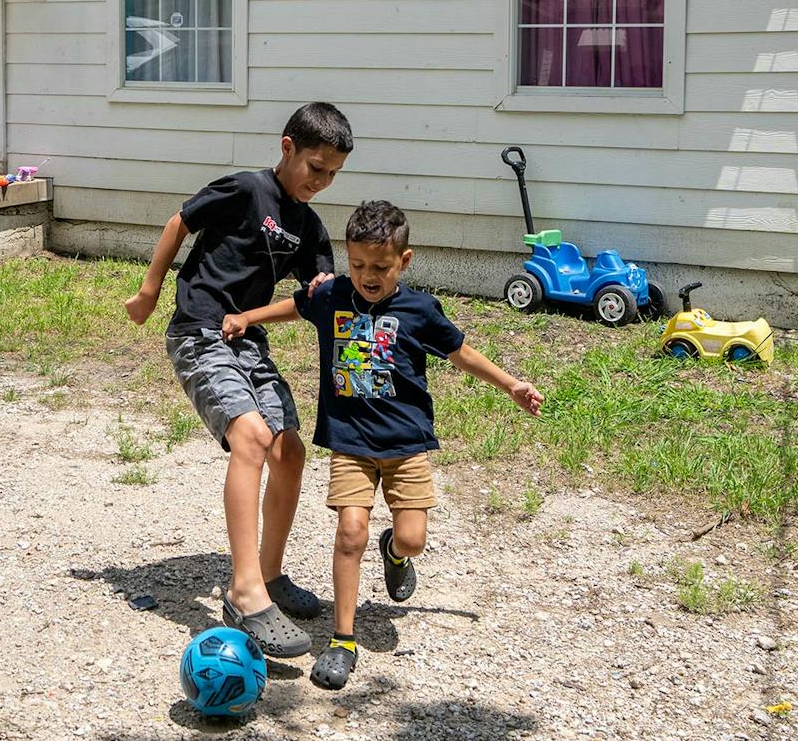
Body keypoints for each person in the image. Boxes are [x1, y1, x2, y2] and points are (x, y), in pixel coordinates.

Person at [223, 200, 542, 689]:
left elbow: (462, 353)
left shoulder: (419, 310)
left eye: (380, 267)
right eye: (357, 264)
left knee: (413, 536)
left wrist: (512, 385)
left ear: (405, 261)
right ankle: (344, 639)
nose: (367, 276)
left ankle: (394, 551)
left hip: (406, 447)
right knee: (350, 533)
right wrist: (248, 316)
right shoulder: (332, 295)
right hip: (350, 443)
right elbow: (297, 305)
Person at [124, 102, 354, 658]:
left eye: (332, 175)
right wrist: (151, 290)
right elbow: (181, 221)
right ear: (287, 148)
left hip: (248, 339)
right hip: (200, 329)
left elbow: (318, 291)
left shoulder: (309, 226)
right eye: (314, 167)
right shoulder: (247, 189)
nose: (320, 182)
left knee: (290, 451)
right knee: (250, 436)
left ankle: (269, 576)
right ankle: (244, 591)